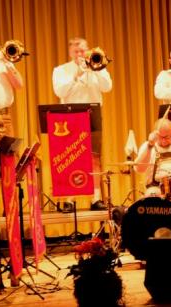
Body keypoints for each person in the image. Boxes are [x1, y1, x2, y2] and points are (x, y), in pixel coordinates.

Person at [52, 37, 113, 208]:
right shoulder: (61, 70)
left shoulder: (98, 65)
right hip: (70, 115)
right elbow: (60, 91)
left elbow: (107, 87)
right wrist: (77, 74)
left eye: (82, 50)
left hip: (93, 112)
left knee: (94, 157)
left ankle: (96, 198)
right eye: (76, 51)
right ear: (70, 52)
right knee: (70, 157)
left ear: (88, 50)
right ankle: (69, 199)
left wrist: (96, 69)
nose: (80, 54)